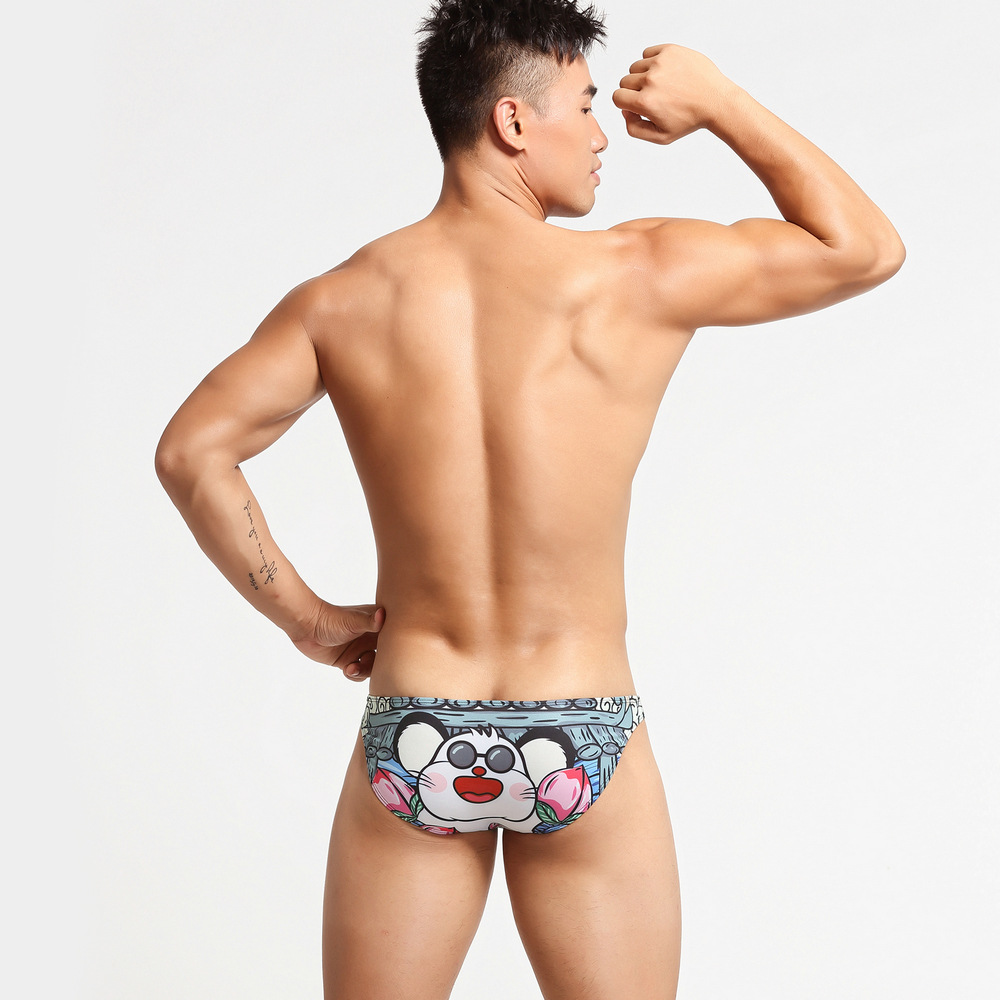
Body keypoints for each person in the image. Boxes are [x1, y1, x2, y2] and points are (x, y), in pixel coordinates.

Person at [155, 0, 904, 996]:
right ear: (512, 121)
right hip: (579, 722)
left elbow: (192, 453)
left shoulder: (342, 300)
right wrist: (720, 101)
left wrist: (312, 622)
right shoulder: (633, 274)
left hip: (417, 723)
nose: (601, 136)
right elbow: (864, 249)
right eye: (584, 106)